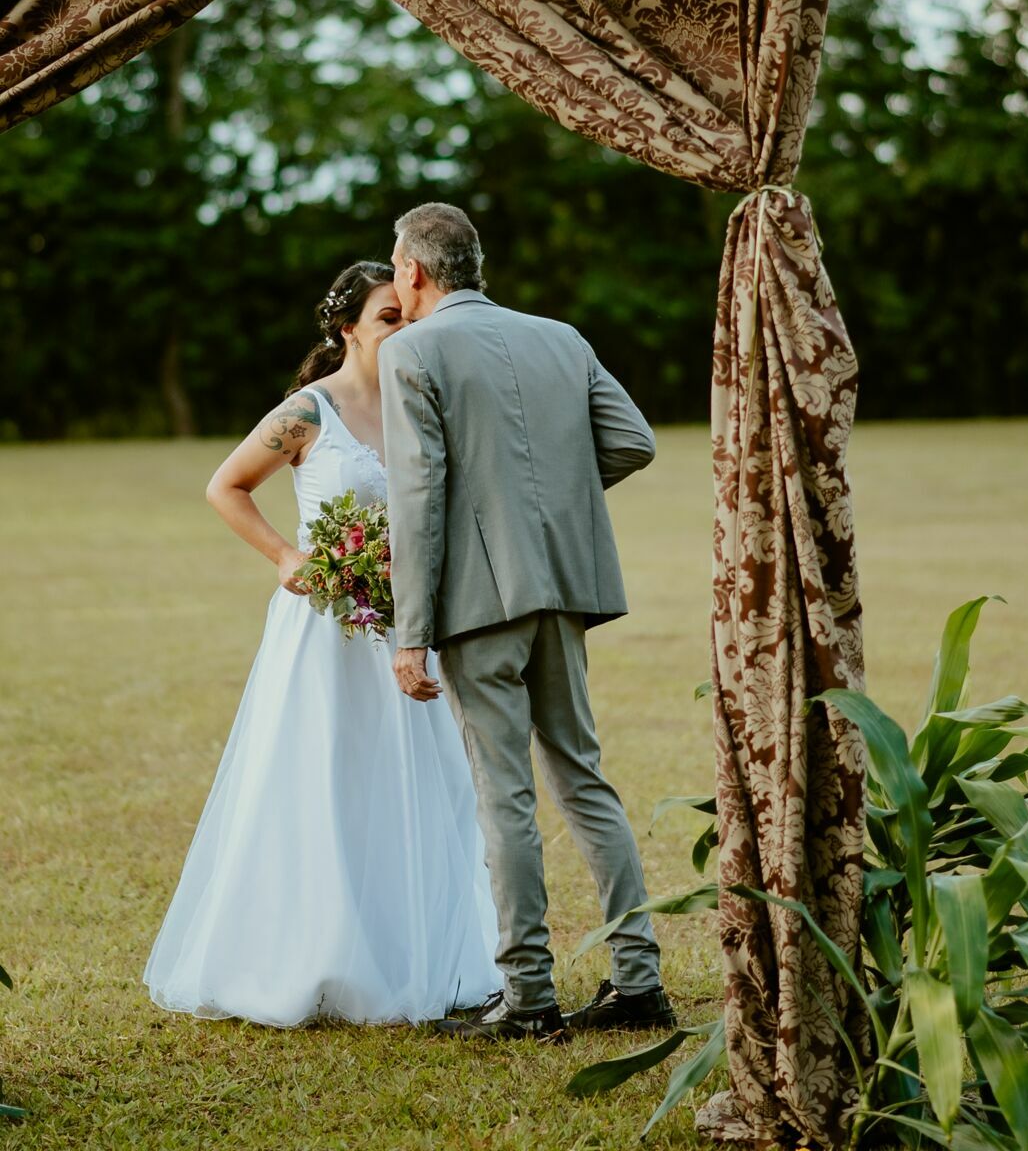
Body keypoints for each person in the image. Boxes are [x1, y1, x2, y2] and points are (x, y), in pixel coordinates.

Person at [143, 261, 498, 1027]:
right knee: (325, 785)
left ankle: (415, 956)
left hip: (410, 631)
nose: (405, 330)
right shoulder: (309, 411)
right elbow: (226, 485)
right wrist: (284, 555)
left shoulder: (426, 405)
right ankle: (314, 959)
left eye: (410, 317)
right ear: (347, 330)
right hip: (325, 633)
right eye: (388, 318)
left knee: (421, 788)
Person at [380, 203, 674, 1042]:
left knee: (503, 793)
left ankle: (530, 999)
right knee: (584, 778)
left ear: (412, 271)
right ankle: (639, 983)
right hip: (563, 588)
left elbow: (418, 495)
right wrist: (547, 503)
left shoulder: (411, 351)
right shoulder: (561, 338)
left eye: (395, 267)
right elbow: (633, 441)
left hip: (479, 604)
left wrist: (410, 631)